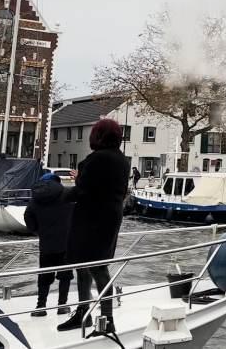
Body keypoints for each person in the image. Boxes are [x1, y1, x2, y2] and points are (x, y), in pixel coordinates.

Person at [57, 119, 129, 333]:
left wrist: (60, 195)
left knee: (94, 266)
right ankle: (89, 315)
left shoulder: (97, 158)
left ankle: (102, 319)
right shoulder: (122, 160)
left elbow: (83, 190)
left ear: (97, 136)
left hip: (92, 217)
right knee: (90, 264)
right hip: (110, 215)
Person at [24, 173, 74, 317]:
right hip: (66, 242)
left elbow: (29, 221)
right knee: (65, 275)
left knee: (45, 275)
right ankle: (62, 306)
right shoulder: (67, 193)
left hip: (47, 243)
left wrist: (39, 230)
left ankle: (41, 307)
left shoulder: (35, 200)